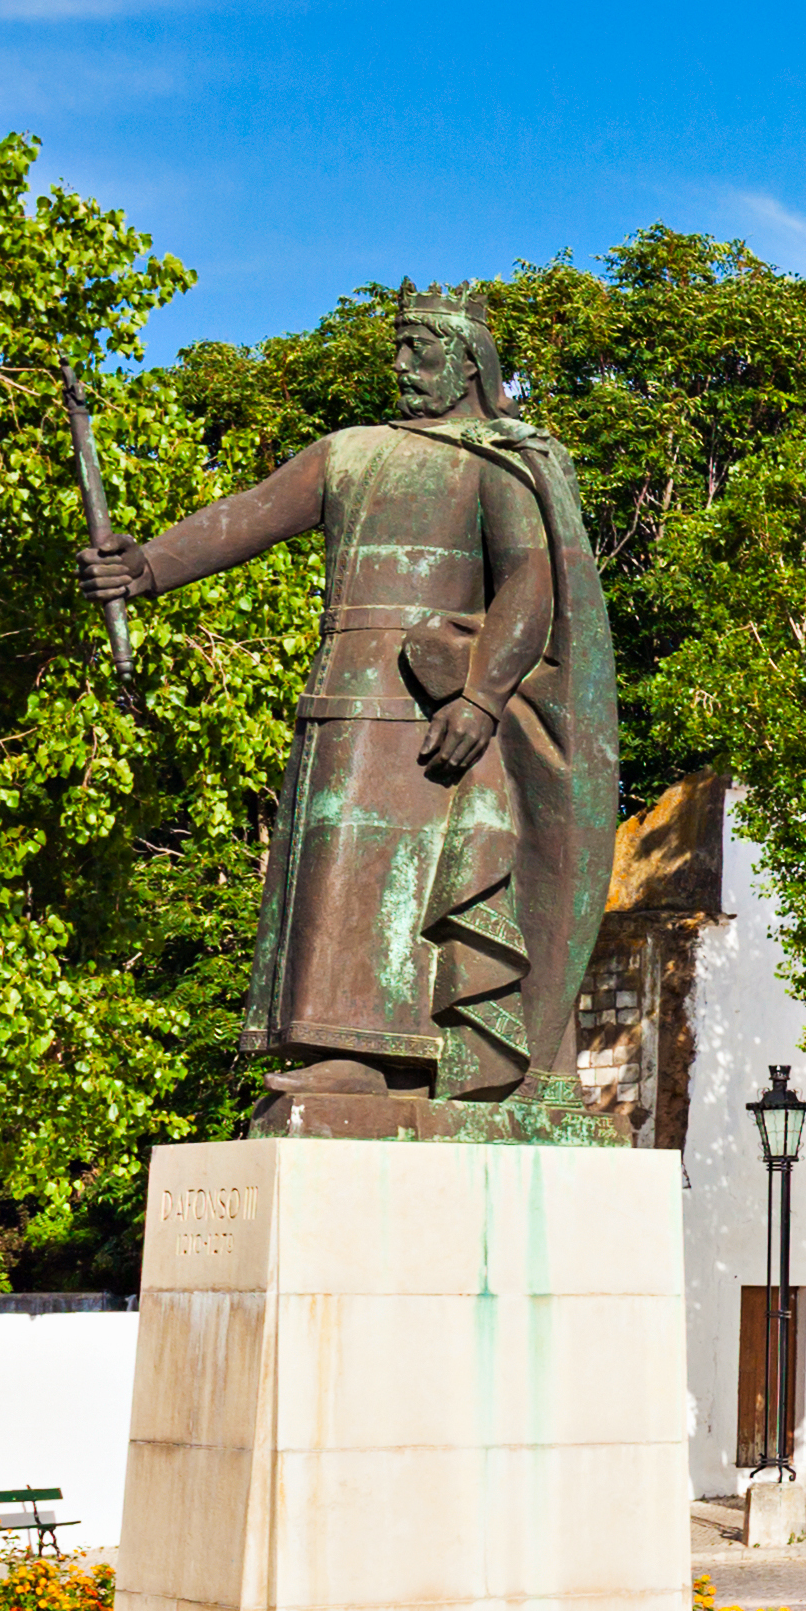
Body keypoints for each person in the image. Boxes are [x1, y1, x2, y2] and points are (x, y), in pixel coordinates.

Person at [82, 294, 621, 1131]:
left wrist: (482, 697)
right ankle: (345, 1051)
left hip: (434, 708)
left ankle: (393, 1058)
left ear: (468, 364)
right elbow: (247, 516)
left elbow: (529, 583)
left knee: (420, 883)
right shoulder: (347, 451)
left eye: (419, 350)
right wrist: (146, 564)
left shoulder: (498, 461)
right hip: (342, 692)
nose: (401, 367)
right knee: (337, 870)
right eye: (398, 350)